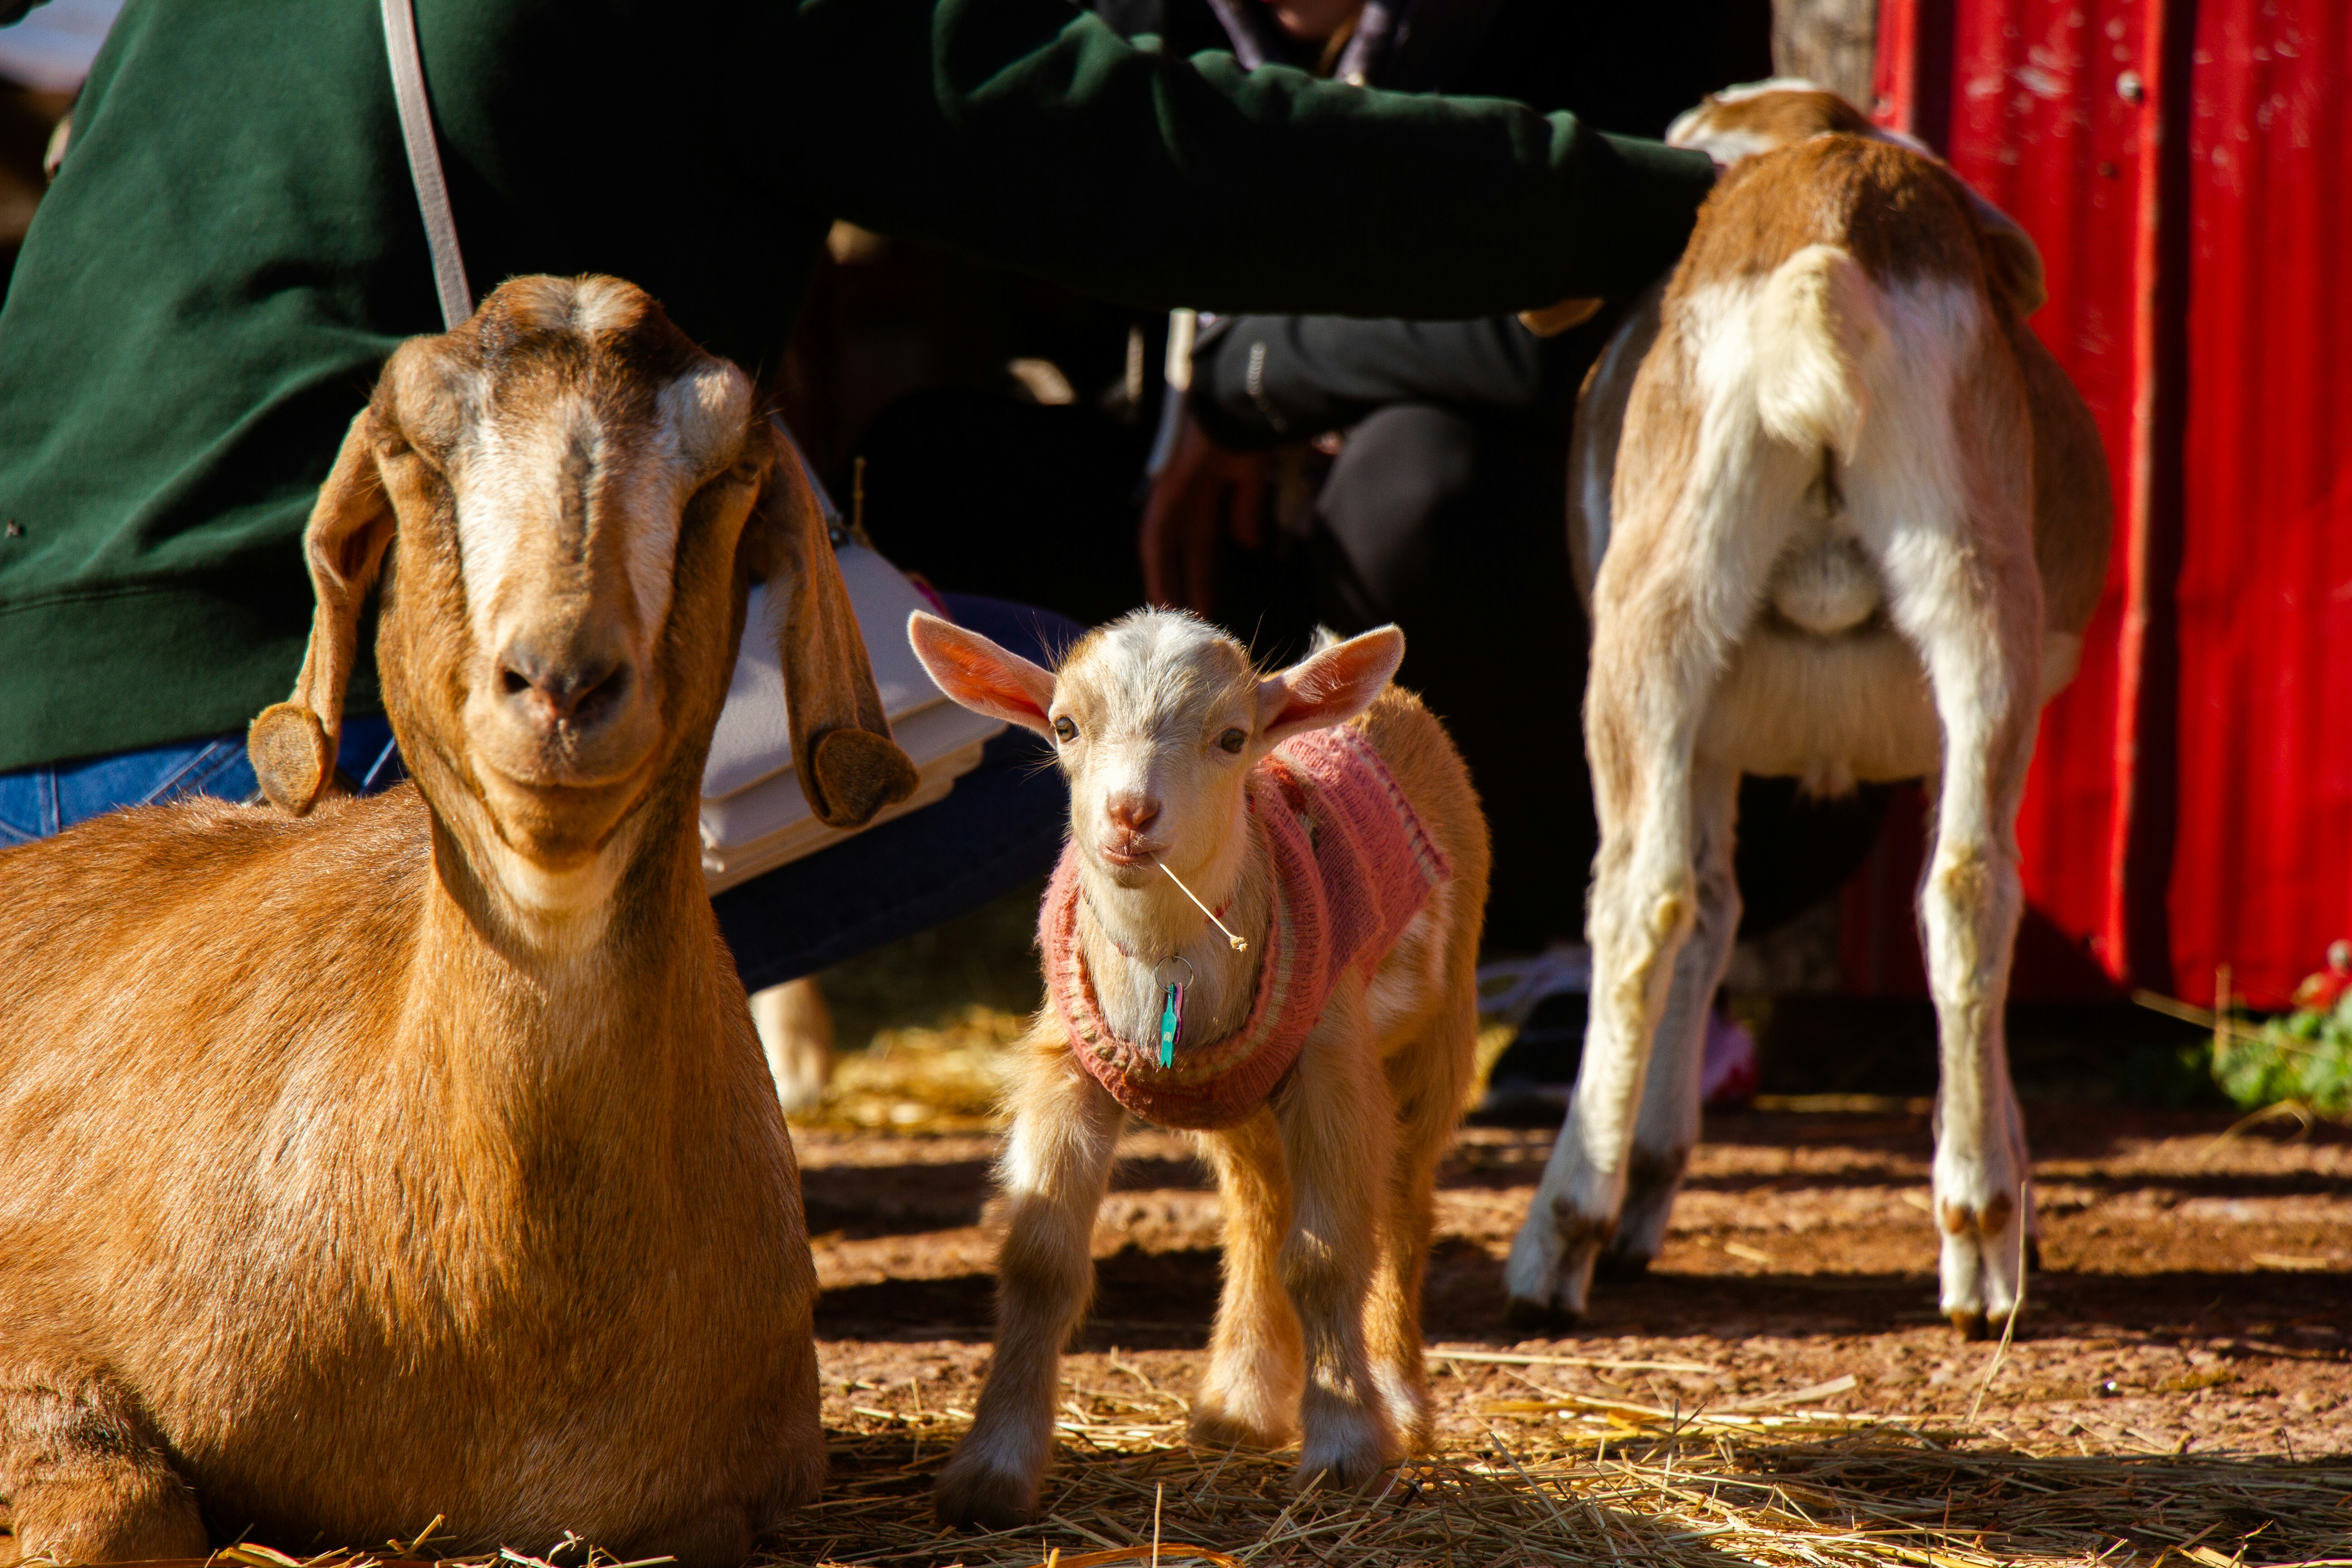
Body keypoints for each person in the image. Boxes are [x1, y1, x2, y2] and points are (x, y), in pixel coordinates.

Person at [0, 0, 1714, 991]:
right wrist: (1643, 201)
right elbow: (1137, 154)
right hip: (312, 766)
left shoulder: (168, 20)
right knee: (1055, 730)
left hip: (27, 804)